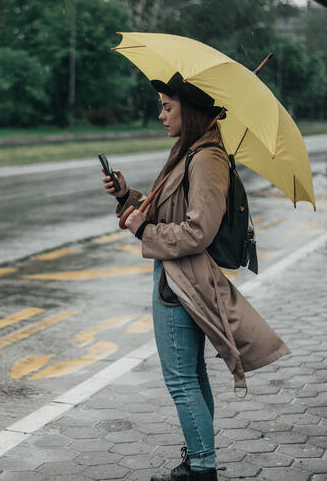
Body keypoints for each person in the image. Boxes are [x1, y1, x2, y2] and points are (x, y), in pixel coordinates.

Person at [101, 73, 290, 481]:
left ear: (191, 111)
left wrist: (143, 232)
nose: (160, 115)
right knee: (192, 374)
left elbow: (197, 230)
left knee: (181, 378)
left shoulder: (206, 159)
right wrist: (125, 196)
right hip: (178, 275)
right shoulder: (189, 153)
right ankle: (199, 460)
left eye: (167, 107)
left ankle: (202, 467)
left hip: (182, 281)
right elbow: (168, 211)